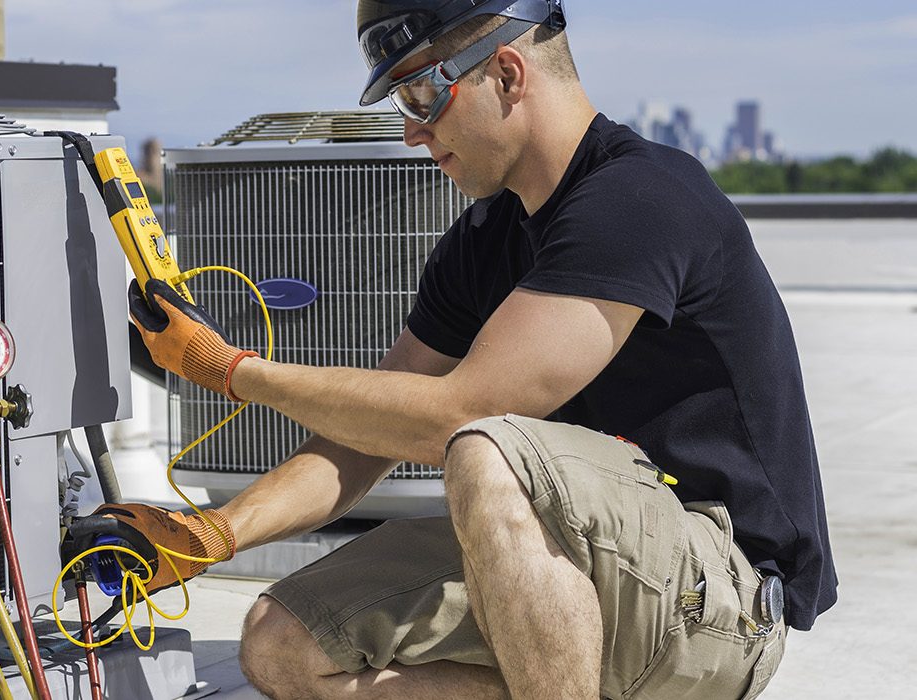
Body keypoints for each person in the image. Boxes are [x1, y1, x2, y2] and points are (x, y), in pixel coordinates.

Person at [65, 1, 837, 697]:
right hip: (593, 573)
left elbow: (460, 414)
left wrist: (233, 372)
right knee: (282, 644)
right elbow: (361, 443)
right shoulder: (483, 240)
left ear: (506, 72)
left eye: (421, 95)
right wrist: (218, 533)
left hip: (719, 597)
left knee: (484, 450)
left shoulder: (641, 199)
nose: (411, 129)